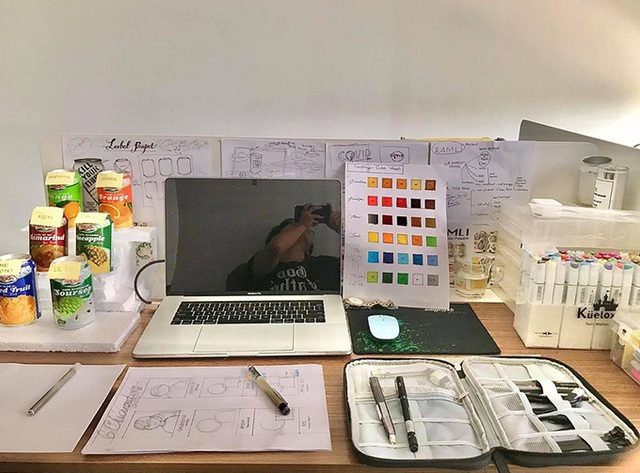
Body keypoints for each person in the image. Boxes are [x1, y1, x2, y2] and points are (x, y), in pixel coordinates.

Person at [228, 203, 340, 292]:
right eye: (293, 226)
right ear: (277, 235)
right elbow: (276, 247)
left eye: (307, 230)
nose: (304, 229)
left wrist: (343, 229)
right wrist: (302, 225)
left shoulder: (325, 265)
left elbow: (352, 277)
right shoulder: (257, 266)